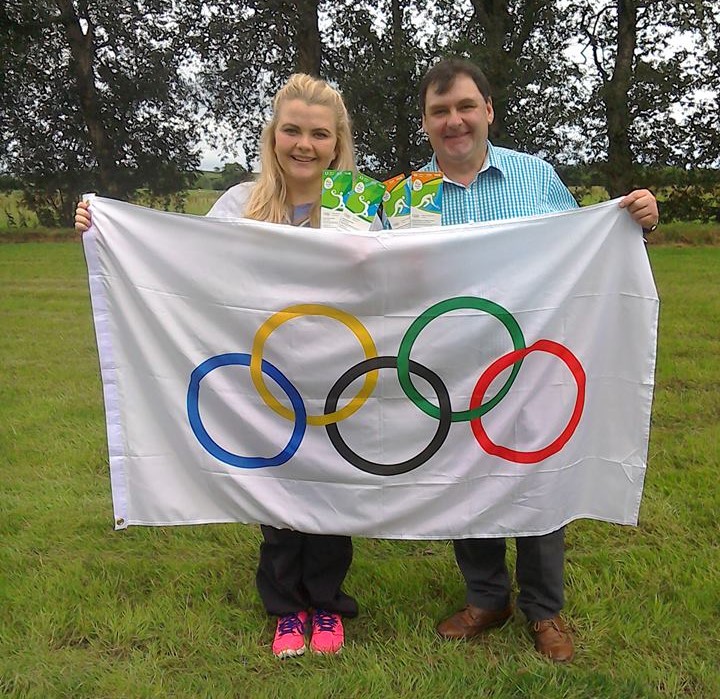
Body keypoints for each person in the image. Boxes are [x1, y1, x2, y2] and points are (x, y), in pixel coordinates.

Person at [75, 73, 360, 659]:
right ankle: (286, 608)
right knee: (274, 491)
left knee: (330, 494)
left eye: (319, 134)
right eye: (292, 130)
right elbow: (182, 263)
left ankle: (327, 603)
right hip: (262, 377)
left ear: (337, 143)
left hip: (336, 375)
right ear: (273, 135)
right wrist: (105, 230)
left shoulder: (356, 207)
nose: (304, 145)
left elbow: (397, 275)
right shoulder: (238, 203)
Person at [416, 57, 659, 663]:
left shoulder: (536, 176)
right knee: (465, 479)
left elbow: (589, 245)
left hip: (533, 361)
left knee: (539, 476)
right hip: (453, 365)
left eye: (465, 106)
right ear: (425, 122)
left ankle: (544, 610)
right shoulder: (405, 194)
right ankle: (486, 598)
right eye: (440, 111)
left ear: (488, 110)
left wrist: (637, 222)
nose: (454, 121)